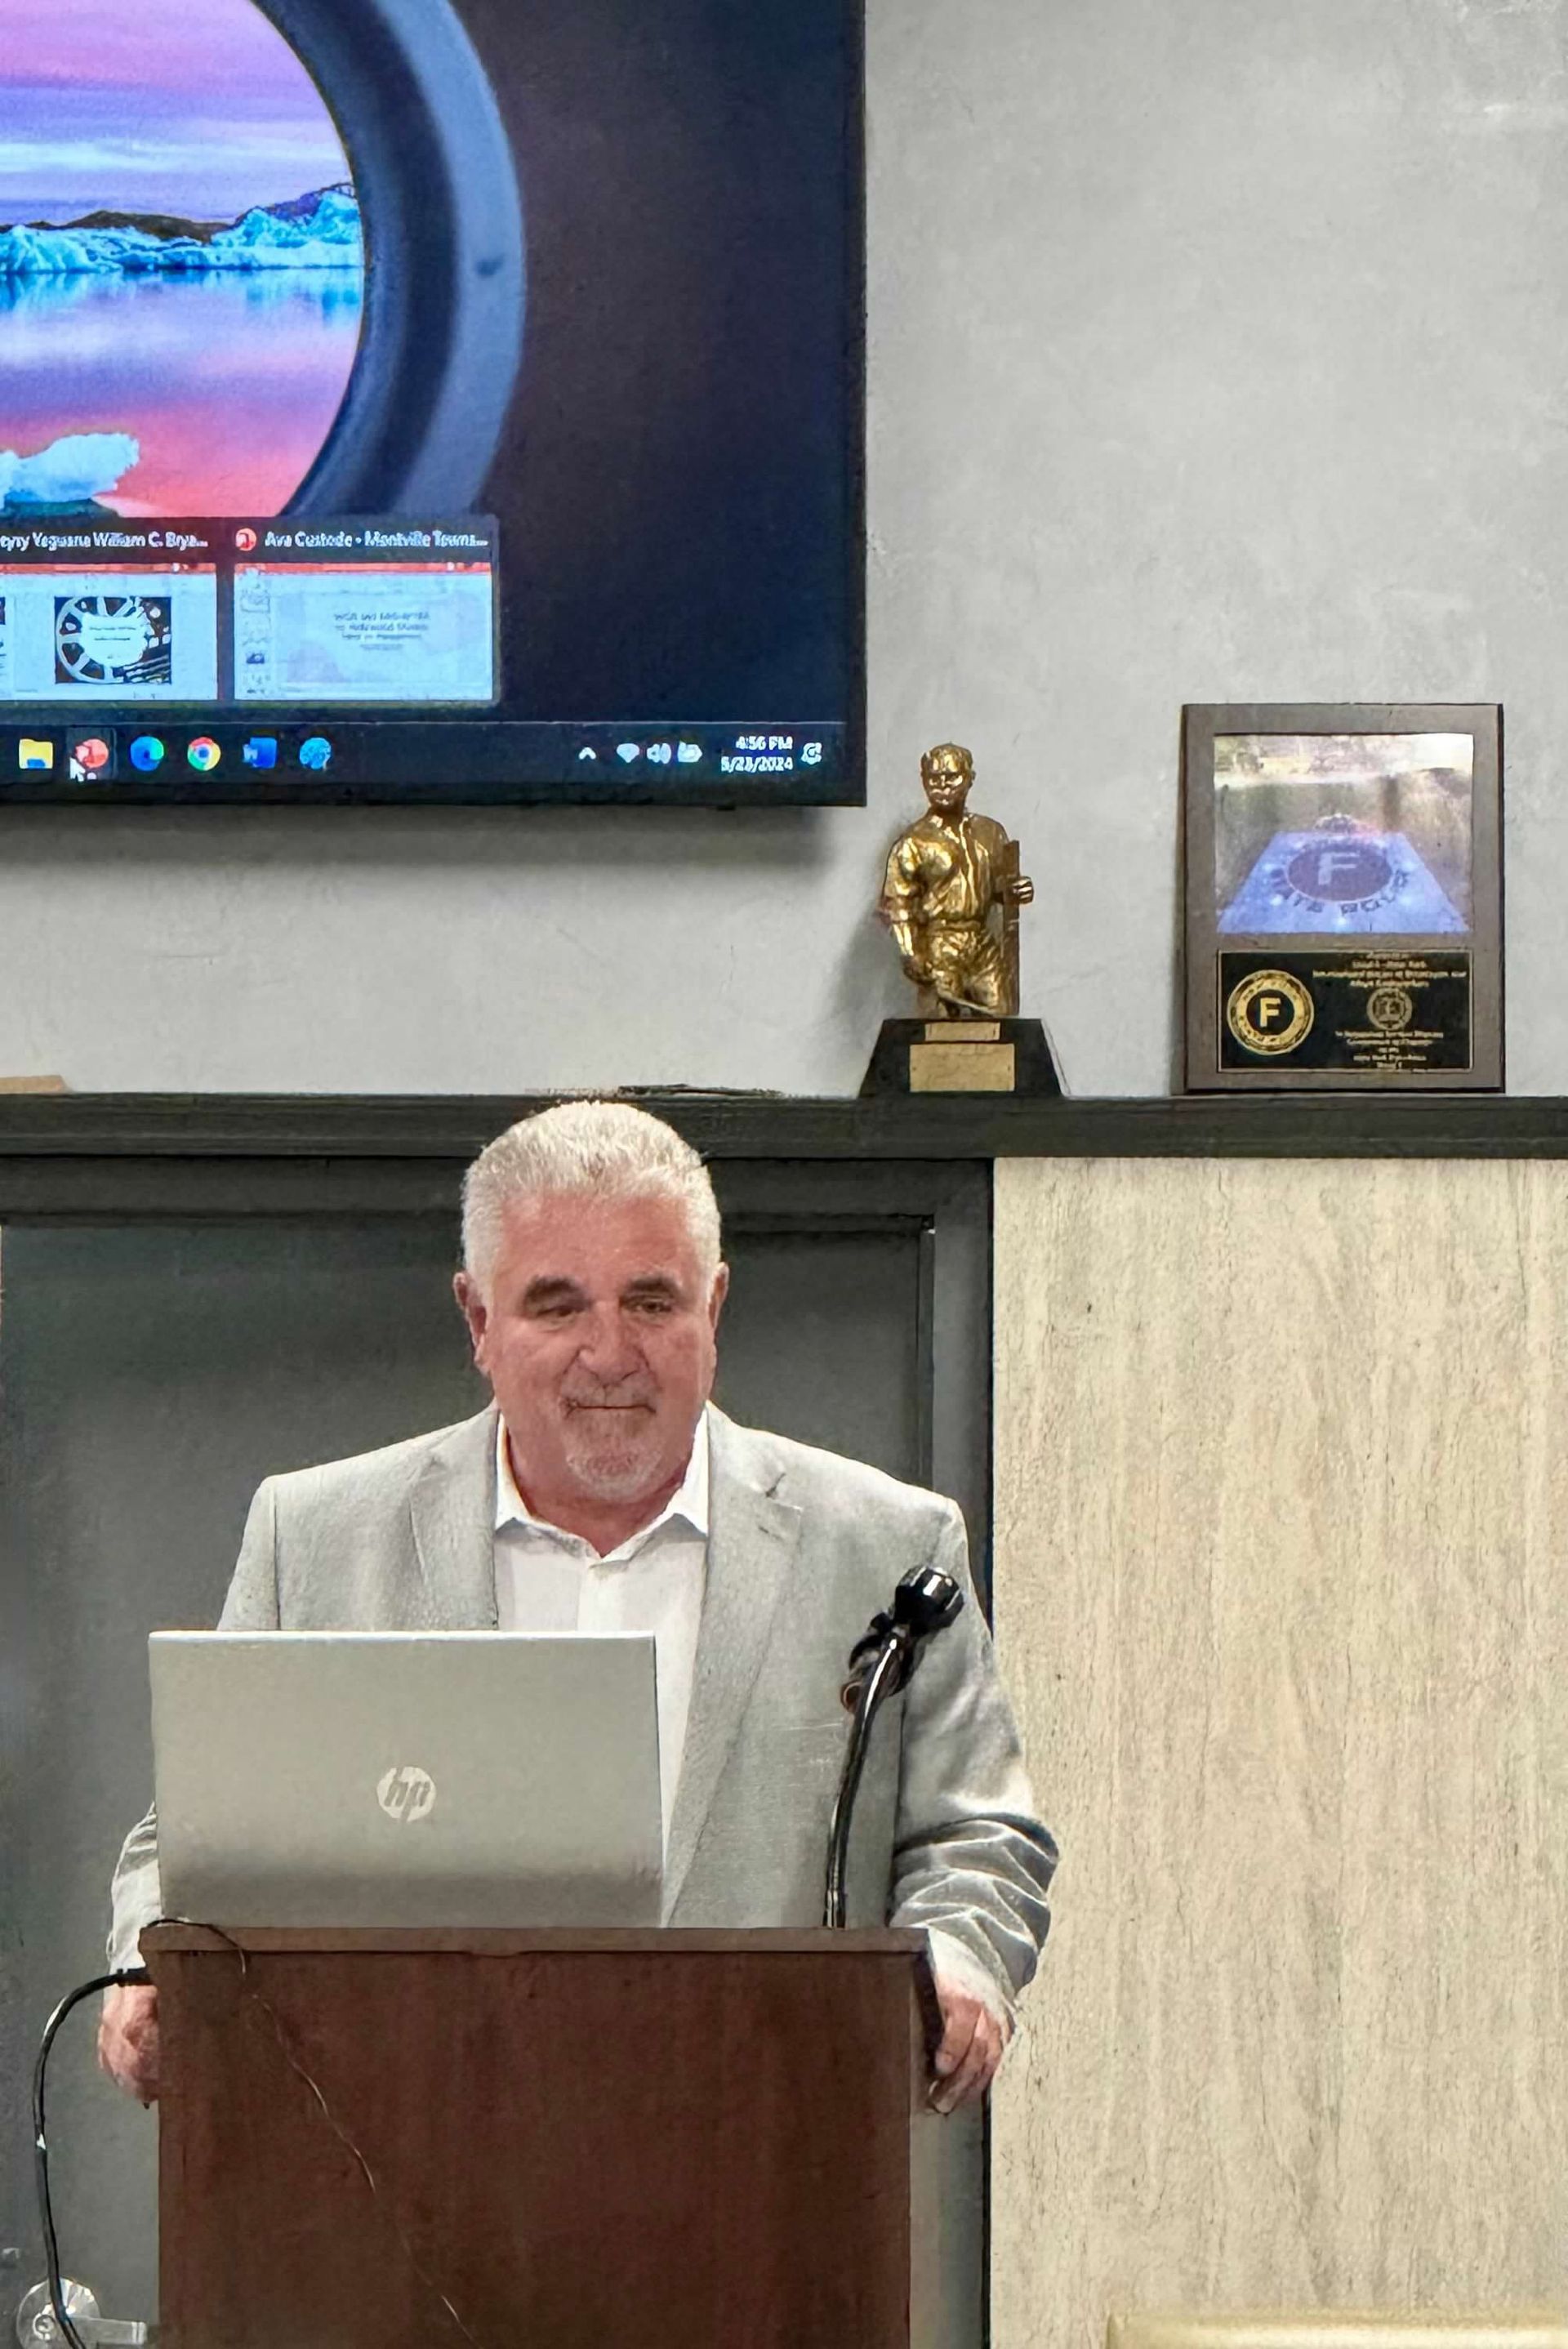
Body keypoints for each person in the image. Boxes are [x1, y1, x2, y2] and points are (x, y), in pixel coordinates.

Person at [99, 1101, 1057, 2113]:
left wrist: (956, 1962)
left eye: (651, 1301)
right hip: (396, 2163)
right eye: (557, 1306)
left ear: (714, 1308)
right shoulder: (316, 1534)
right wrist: (145, 1965)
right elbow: (199, 1835)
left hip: (772, 2158)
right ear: (478, 1320)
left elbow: (978, 1831)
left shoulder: (889, 1546)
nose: (609, 1352)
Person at [880, 740, 1035, 1016]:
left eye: (952, 777)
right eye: (934, 778)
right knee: (938, 1026)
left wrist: (1016, 890)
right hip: (940, 944)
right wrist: (910, 950)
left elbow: (998, 888)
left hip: (982, 944)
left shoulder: (991, 832)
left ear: (970, 779)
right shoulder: (914, 841)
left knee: (1001, 1017)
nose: (943, 785)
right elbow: (897, 903)